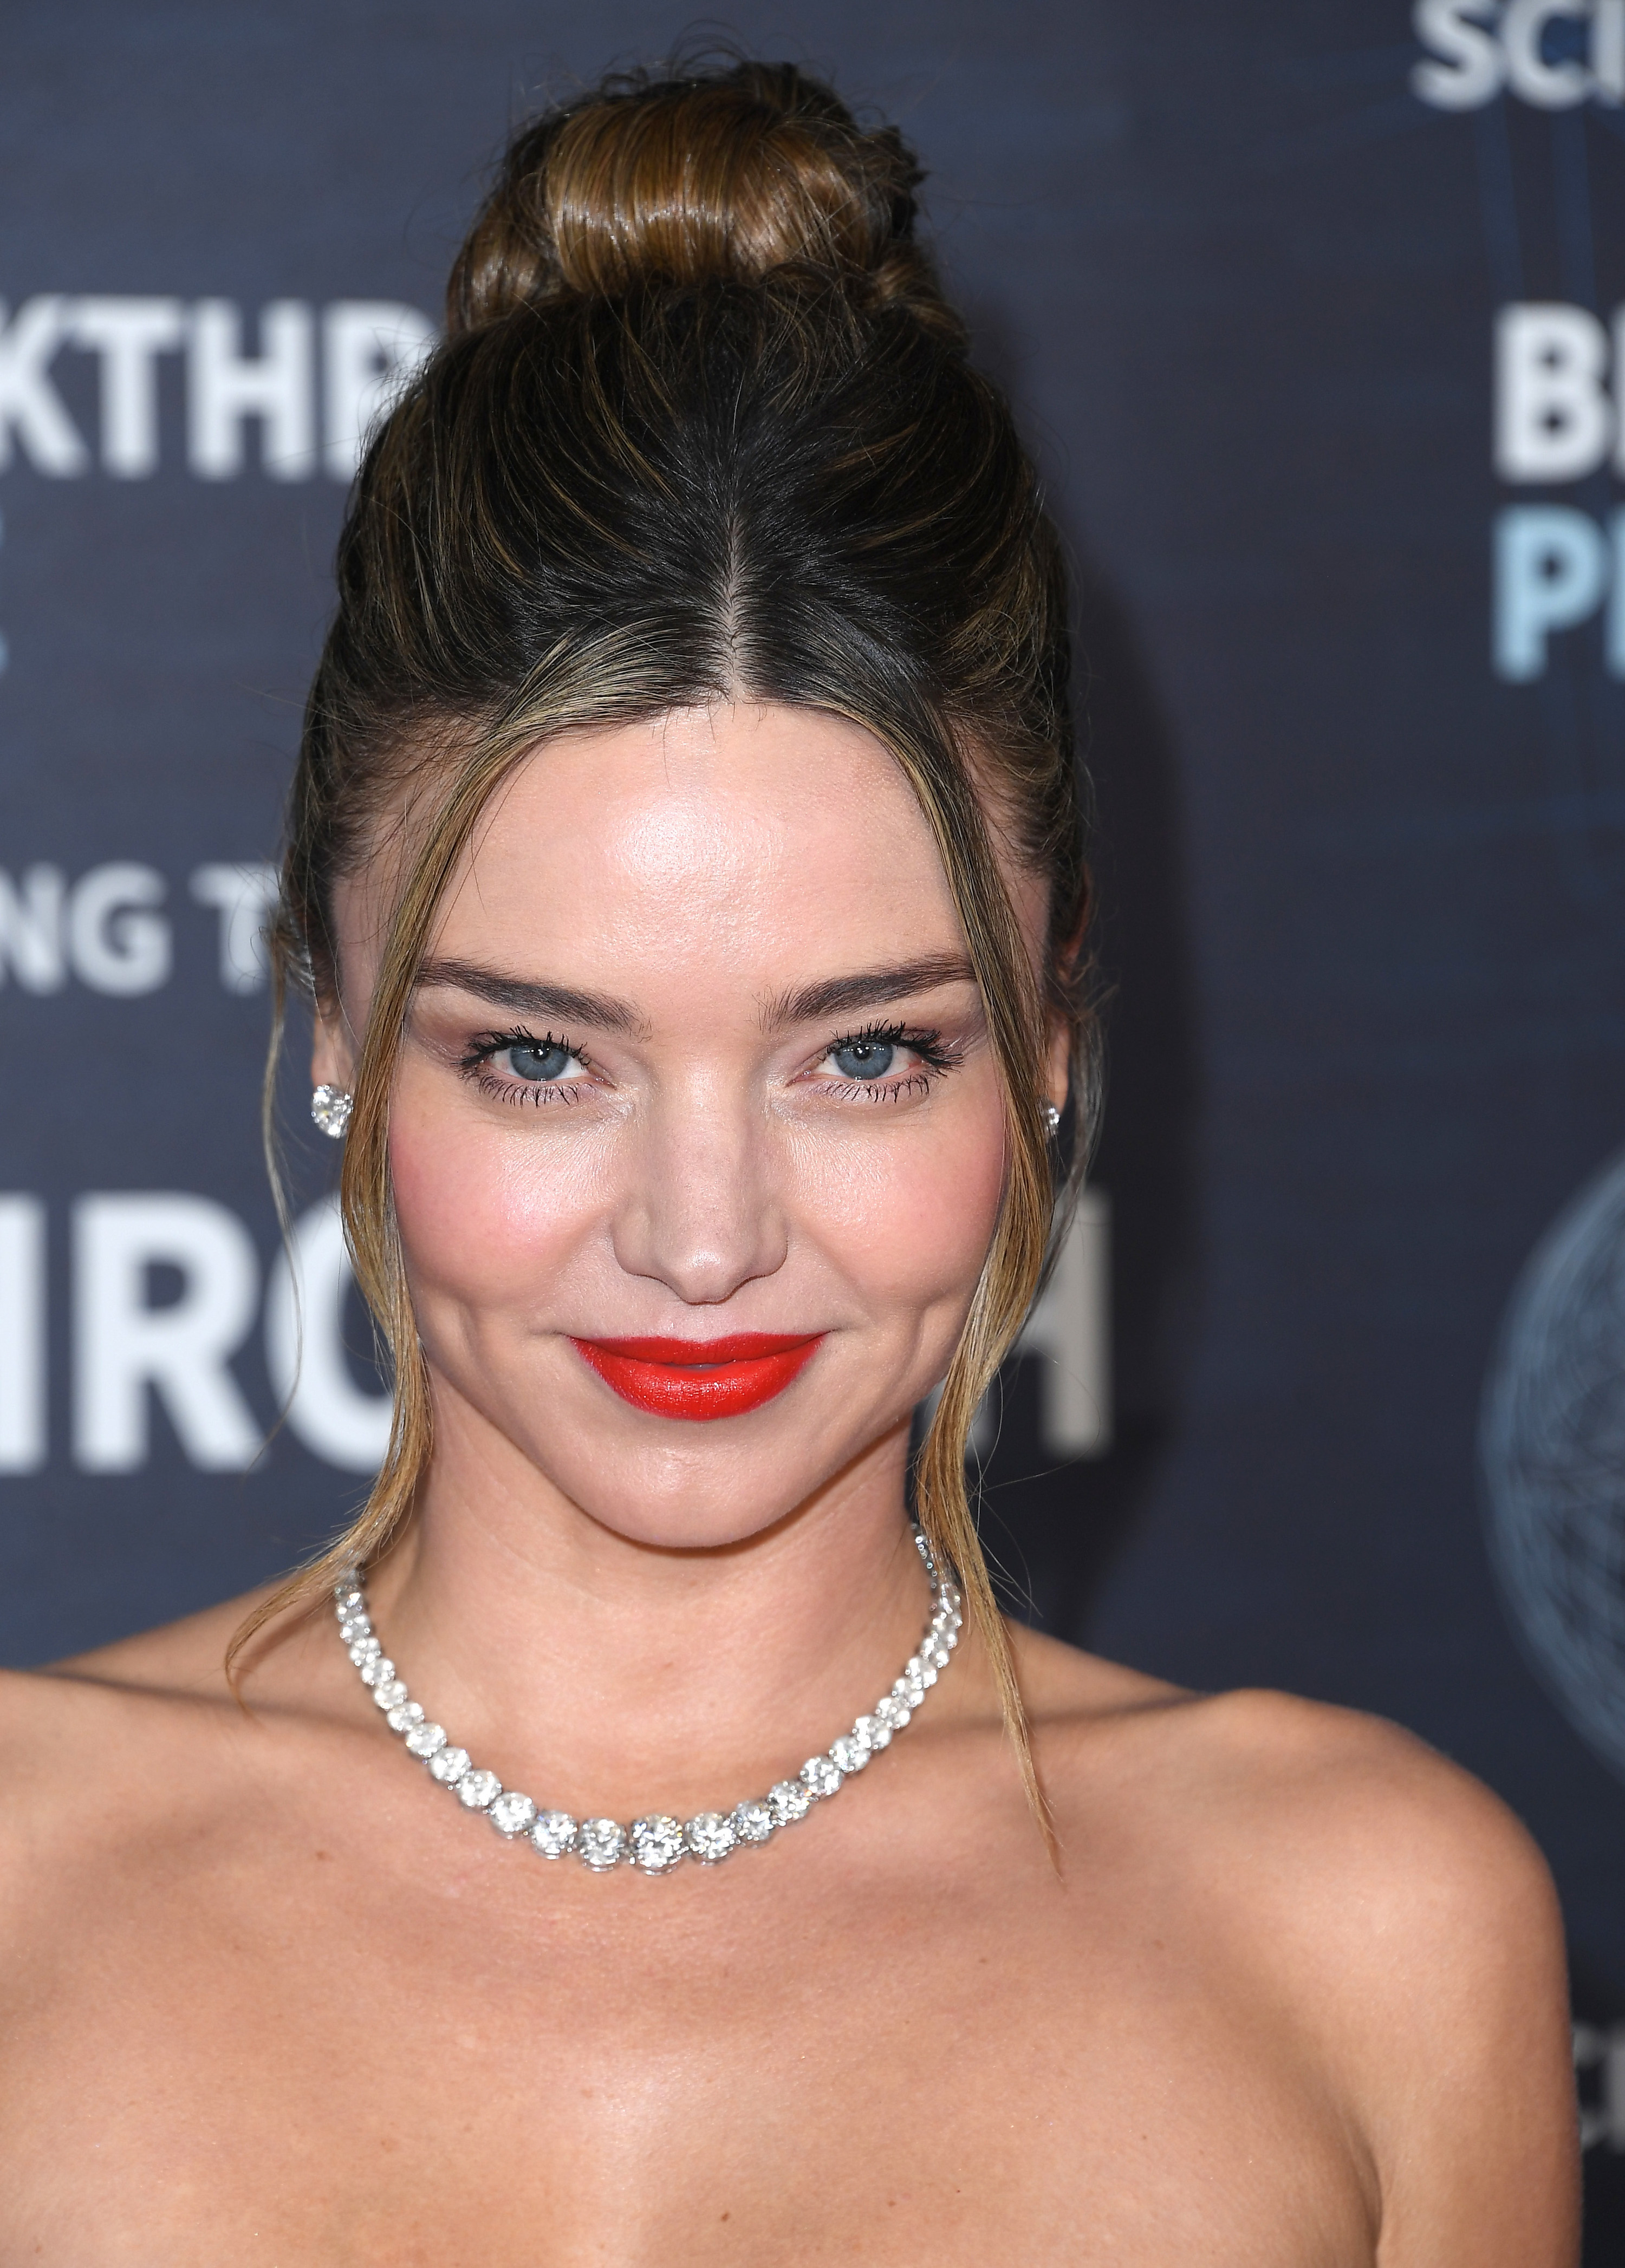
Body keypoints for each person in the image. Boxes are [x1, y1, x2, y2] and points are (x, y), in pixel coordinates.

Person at [0, 58, 1578, 2264]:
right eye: (544, 1056)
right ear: (337, 1020)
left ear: (1047, 1040)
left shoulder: (1370, 1933)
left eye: (867, 1053)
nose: (706, 1236)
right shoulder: (21, 1877)